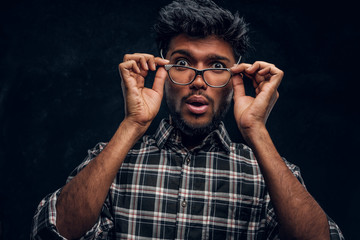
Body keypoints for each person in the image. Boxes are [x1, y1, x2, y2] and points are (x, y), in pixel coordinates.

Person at [31, 0, 344, 239]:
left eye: (217, 66)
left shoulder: (268, 174)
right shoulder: (111, 160)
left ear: (236, 80)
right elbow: (51, 232)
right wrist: (133, 124)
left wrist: (256, 131)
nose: (198, 80)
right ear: (163, 73)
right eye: (182, 62)